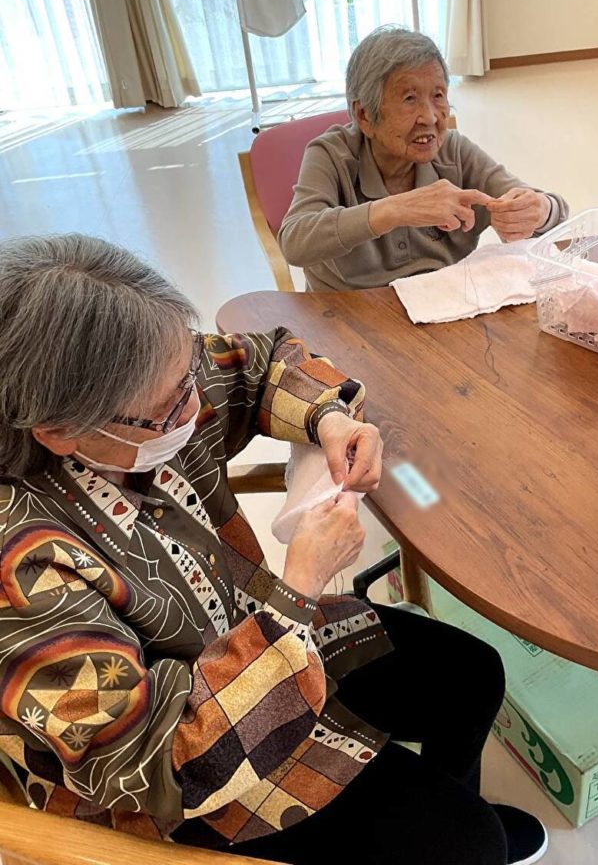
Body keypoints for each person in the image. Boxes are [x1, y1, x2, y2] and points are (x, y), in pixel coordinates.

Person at [0, 234, 548, 865]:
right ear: (59, 432)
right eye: (169, 408)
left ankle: (448, 815)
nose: (196, 408)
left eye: (188, 375)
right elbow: (167, 768)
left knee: (471, 676)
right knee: (469, 844)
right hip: (184, 768)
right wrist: (300, 589)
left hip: (252, 627)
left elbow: (260, 362)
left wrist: (328, 418)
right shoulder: (21, 571)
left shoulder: (144, 389)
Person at [278, 26, 568, 292]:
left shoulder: (454, 151)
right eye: (409, 99)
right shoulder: (331, 155)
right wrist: (396, 209)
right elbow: (294, 241)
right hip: (347, 314)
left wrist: (538, 209)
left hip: (440, 305)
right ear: (364, 115)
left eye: (438, 95)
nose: (430, 117)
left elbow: (551, 209)